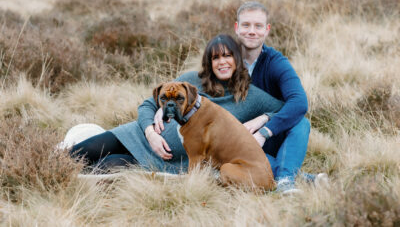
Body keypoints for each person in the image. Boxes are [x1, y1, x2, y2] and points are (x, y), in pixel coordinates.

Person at [70, 34, 284, 175]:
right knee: (80, 152)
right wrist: (150, 133)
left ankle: (63, 181)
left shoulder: (251, 95)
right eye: (216, 57)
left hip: (171, 160)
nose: (222, 62)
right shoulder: (191, 79)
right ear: (209, 62)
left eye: (228, 56)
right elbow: (147, 105)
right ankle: (43, 169)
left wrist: (262, 121)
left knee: (102, 167)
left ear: (238, 60)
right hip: (139, 135)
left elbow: (287, 109)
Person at [234, 1, 312, 193]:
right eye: (246, 25)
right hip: (235, 141)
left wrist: (264, 130)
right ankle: (294, 176)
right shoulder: (224, 60)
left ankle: (285, 181)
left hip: (269, 137)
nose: (252, 31)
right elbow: (190, 89)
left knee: (302, 123)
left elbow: (299, 102)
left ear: (267, 30)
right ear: (237, 28)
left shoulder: (275, 62)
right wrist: (157, 113)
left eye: (258, 26)